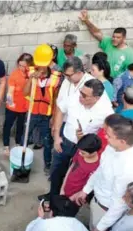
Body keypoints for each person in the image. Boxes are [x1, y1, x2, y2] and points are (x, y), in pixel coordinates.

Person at [45, 71, 113, 200]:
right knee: (56, 170)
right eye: (81, 92)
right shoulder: (76, 96)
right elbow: (60, 108)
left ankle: (67, 201)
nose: (80, 97)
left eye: (85, 95)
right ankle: (52, 196)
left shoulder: (105, 110)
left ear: (96, 98)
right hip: (65, 141)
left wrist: (87, 141)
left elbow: (107, 134)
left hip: (85, 150)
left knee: (76, 177)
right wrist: (56, 135)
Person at [72, 114, 133, 231]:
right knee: (91, 227)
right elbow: (100, 170)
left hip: (106, 211)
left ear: (122, 141)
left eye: (109, 136)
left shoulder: (127, 168)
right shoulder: (111, 147)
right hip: (97, 200)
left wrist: (101, 227)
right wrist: (85, 190)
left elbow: (119, 203)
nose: (105, 137)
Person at [22, 44, 62, 175]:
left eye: (44, 63)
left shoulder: (56, 75)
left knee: (47, 141)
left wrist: (54, 117)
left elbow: (56, 99)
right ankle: (21, 161)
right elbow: (25, 93)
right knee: (25, 138)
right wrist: (31, 79)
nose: (41, 67)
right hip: (32, 112)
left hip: (47, 114)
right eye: (39, 63)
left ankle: (47, 165)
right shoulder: (31, 72)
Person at [79, 10, 133, 78]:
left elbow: (130, 73)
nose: (114, 39)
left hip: (116, 82)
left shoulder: (130, 53)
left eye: (118, 37)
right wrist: (86, 20)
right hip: (103, 78)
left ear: (124, 38)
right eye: (113, 36)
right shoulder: (109, 42)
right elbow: (96, 33)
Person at [3, 53, 33, 155]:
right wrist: (10, 102)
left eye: (24, 66)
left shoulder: (32, 74)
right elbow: (10, 90)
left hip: (24, 107)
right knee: (8, 126)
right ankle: (6, 146)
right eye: (20, 65)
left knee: (20, 126)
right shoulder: (14, 74)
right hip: (13, 106)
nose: (22, 68)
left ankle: (17, 144)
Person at [60, 134, 101, 199]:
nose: (79, 153)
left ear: (94, 152)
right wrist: (63, 187)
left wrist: (74, 197)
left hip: (77, 196)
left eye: (83, 153)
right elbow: (71, 167)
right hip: (67, 187)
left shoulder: (97, 167)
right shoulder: (81, 152)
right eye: (79, 151)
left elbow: (89, 186)